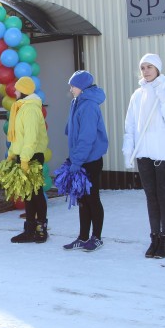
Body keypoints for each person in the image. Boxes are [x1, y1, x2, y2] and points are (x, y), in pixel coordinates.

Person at [123, 53, 165, 258]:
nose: (146, 71)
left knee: (163, 196)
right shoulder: (137, 95)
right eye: (143, 67)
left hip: (164, 155)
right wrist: (128, 150)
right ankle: (154, 238)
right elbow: (130, 126)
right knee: (151, 197)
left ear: (158, 68)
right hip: (144, 155)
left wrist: (163, 98)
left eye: (150, 67)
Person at [63, 71, 109, 252]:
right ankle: (82, 237)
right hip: (79, 159)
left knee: (92, 199)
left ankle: (96, 237)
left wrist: (77, 161)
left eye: (73, 85)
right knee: (83, 200)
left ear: (81, 87)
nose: (70, 88)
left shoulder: (88, 105)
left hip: (89, 161)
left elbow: (87, 137)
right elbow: (72, 131)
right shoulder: (77, 103)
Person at [6, 77, 49, 243]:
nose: (15, 92)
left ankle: (40, 230)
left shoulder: (30, 109)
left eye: (17, 89)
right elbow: (18, 137)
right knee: (28, 194)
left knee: (36, 194)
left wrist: (24, 158)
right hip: (24, 155)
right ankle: (30, 229)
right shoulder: (21, 107)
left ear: (23, 90)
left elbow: (31, 138)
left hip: (31, 156)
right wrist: (12, 153)